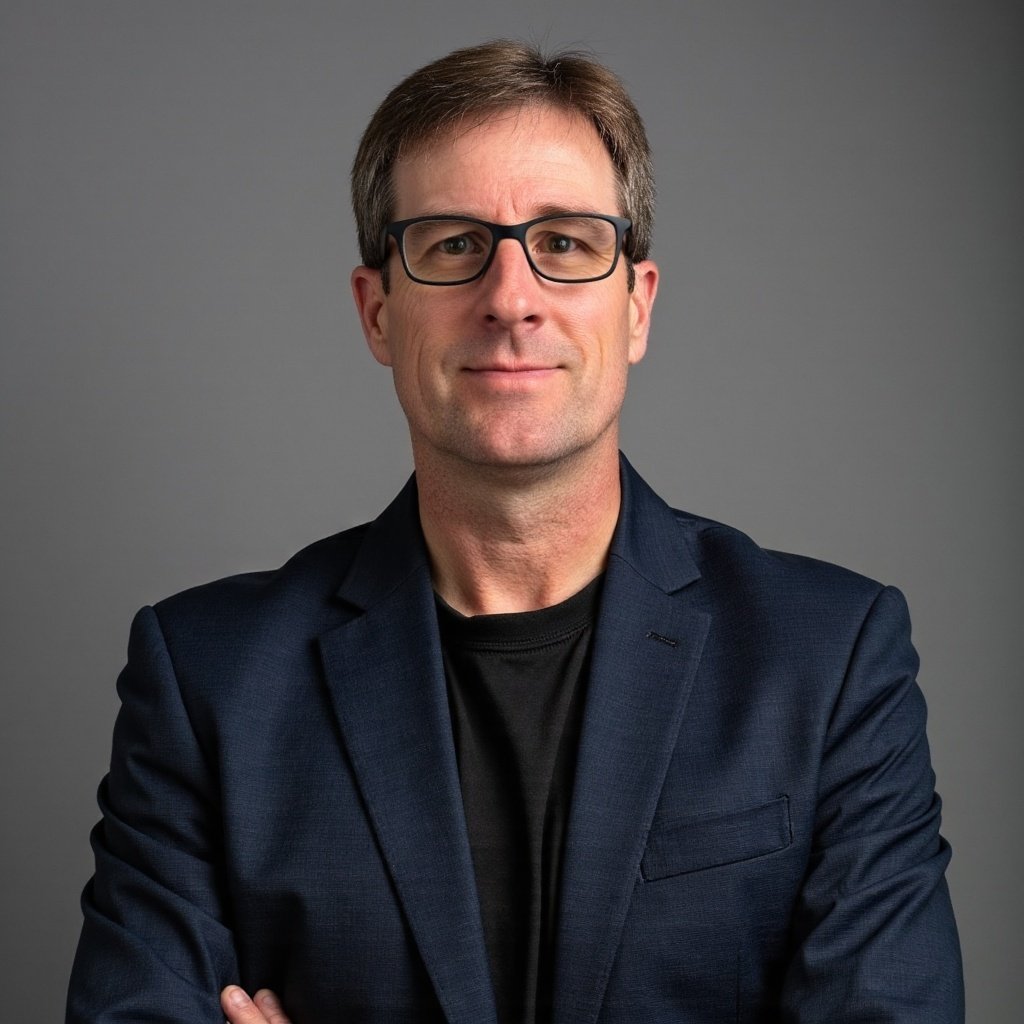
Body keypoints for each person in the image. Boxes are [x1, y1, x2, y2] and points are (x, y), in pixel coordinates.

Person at [66, 40, 964, 1024]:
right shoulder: (208, 679)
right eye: (453, 244)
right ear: (377, 312)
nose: (510, 298)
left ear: (636, 307)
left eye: (565, 244)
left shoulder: (829, 661)